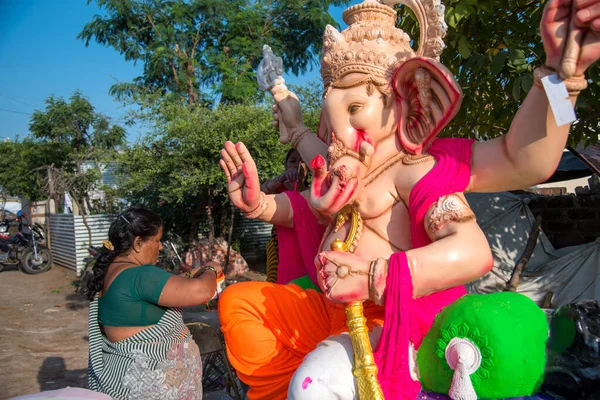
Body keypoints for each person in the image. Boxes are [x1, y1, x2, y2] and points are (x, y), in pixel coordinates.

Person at [217, 0, 600, 399]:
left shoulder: (418, 171)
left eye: (355, 111)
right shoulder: (345, 166)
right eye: (334, 118)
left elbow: (488, 223)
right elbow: (307, 201)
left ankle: (405, 368)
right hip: (332, 311)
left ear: (408, 101)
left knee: (311, 386)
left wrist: (561, 77)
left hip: (394, 316)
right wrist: (258, 204)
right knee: (237, 302)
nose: (341, 135)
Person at [86, 207, 220, 400]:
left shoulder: (113, 271)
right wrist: (211, 269)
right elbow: (202, 291)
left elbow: (170, 287)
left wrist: (194, 273)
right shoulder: (140, 275)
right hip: (152, 390)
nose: (160, 247)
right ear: (138, 243)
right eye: (157, 240)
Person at [260, 149, 309, 283]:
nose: (297, 165)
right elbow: (259, 195)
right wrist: (281, 179)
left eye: (303, 161)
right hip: (279, 247)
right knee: (275, 283)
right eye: (293, 161)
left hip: (305, 247)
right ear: (286, 165)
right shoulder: (276, 189)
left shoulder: (312, 193)